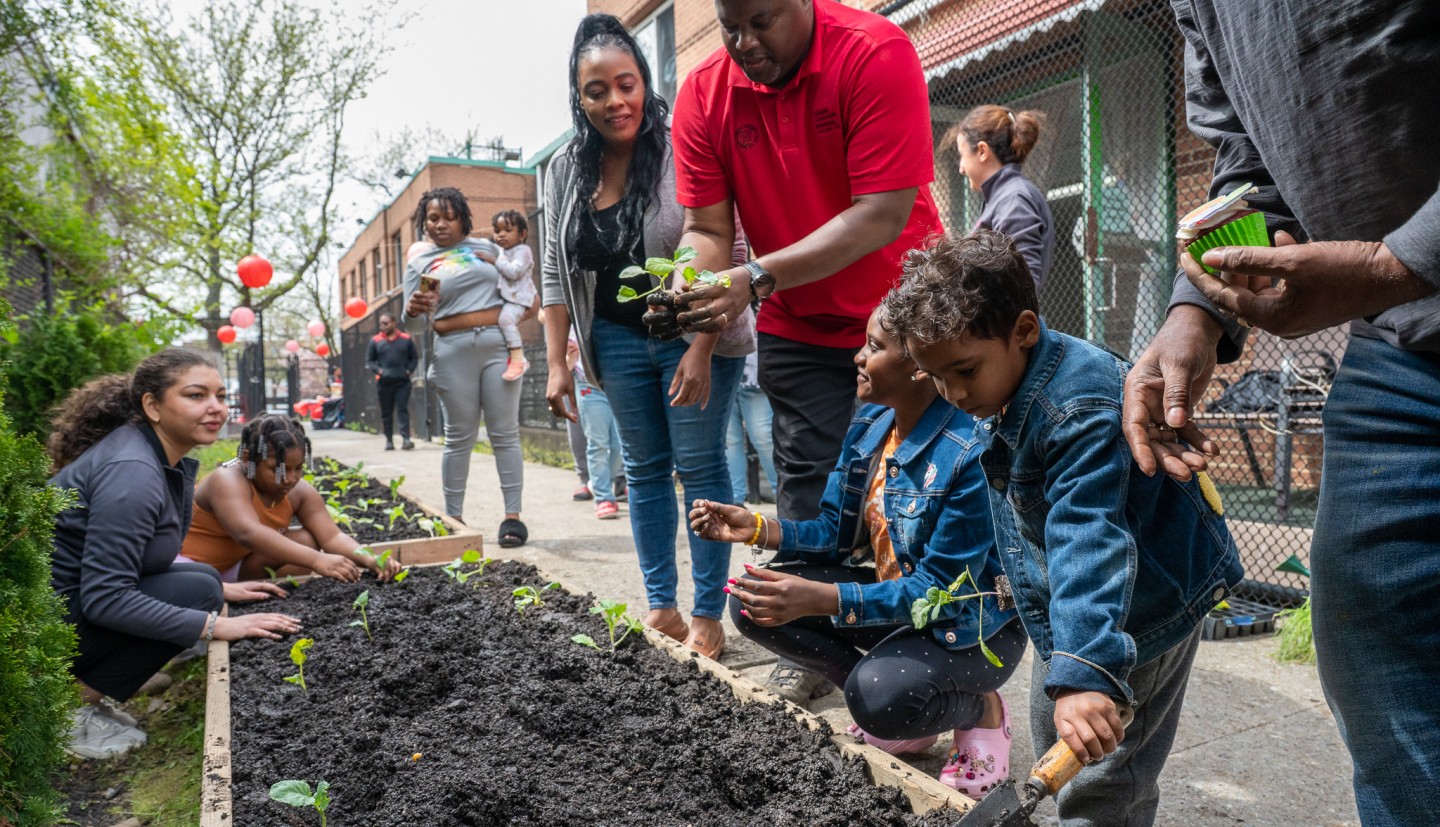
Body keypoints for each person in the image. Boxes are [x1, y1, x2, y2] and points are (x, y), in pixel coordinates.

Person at [1122, 4, 1440, 823]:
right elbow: (1242, 153)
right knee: (1379, 668)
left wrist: (1395, 260)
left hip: (1399, 291)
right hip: (1400, 345)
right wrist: (1196, 309)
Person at [884, 230, 1242, 825]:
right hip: (1079, 608)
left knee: (1106, 778)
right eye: (936, 378)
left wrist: (1086, 674)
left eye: (964, 371)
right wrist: (1069, 676)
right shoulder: (1002, 382)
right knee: (1056, 722)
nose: (953, 394)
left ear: (1023, 330)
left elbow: (1088, 538)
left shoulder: (1077, 410)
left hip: (1144, 607)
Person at [654, 0, 943, 702]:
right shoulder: (703, 91)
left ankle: (929, 659)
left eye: (763, 20)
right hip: (799, 324)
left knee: (919, 490)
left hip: (904, 317)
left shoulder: (874, 51)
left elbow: (883, 211)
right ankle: (823, 653)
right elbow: (706, 226)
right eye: (730, 25)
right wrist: (693, 281)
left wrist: (755, 277)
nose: (744, 42)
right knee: (809, 487)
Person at [690, 307, 1024, 797]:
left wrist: (822, 597)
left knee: (878, 698)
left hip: (971, 627)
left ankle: (980, 710)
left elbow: (938, 590)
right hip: (900, 602)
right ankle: (908, 710)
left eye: (874, 346)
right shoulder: (872, 424)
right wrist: (758, 528)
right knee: (750, 600)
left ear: (920, 365)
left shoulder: (967, 452)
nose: (858, 356)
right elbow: (835, 529)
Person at [541, 14, 753, 660]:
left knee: (702, 466)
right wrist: (556, 364)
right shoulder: (562, 169)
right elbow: (555, 268)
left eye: (625, 83)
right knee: (644, 472)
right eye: (596, 90)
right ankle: (661, 605)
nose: (615, 101)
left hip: (692, 334)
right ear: (579, 99)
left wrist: (701, 346)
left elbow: (726, 241)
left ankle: (708, 610)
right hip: (615, 339)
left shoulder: (682, 141)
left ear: (644, 81)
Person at [47, 350, 301, 759]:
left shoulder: (151, 454)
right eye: (196, 396)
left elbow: (141, 563)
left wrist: (220, 590)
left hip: (65, 612)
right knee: (199, 597)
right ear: (153, 405)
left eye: (220, 395)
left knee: (203, 584)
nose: (215, 407)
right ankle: (66, 713)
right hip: (39, 634)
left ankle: (84, 698)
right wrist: (214, 626)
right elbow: (105, 598)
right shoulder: (132, 472)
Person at [403, 186, 528, 547]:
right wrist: (413, 309)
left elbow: (519, 290)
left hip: (498, 348)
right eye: (433, 218)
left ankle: (513, 519)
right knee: (459, 438)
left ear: (463, 218)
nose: (441, 224)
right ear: (424, 222)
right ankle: (452, 517)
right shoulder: (420, 263)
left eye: (449, 216)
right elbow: (414, 326)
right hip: (452, 353)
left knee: (504, 434)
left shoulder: (488, 249)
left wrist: (502, 315)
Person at [179, 414, 403, 583]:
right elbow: (248, 533)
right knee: (308, 553)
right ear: (247, 459)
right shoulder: (227, 479)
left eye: (298, 468)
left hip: (238, 569)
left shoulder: (299, 492)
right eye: (278, 469)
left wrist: (370, 559)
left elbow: (332, 537)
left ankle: (265, 599)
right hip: (191, 573)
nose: (291, 478)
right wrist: (317, 560)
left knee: (306, 540)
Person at [947, 105, 1055, 295]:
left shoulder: (1014, 199)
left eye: (962, 155)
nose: (961, 168)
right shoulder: (1001, 199)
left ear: (982, 151)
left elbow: (1023, 285)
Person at [571, 330, 624, 521]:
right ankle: (603, 497)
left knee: (620, 445)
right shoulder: (579, 307)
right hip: (588, 383)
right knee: (598, 443)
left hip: (619, 380)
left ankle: (598, 483)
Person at [724, 350, 777, 504]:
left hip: (754, 372)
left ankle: (783, 492)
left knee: (763, 437)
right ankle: (735, 500)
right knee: (729, 442)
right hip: (721, 375)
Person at [491, 209, 539, 381]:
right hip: (509, 297)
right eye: (497, 231)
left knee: (506, 320)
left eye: (507, 230)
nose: (501, 235)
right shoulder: (501, 251)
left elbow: (514, 271)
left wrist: (494, 260)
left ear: (522, 234)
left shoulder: (523, 250)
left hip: (520, 298)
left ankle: (518, 359)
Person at [364, 313, 418, 450]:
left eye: (386, 323)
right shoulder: (375, 341)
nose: (383, 326)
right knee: (386, 412)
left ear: (393, 323)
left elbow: (414, 358)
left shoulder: (406, 339)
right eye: (381, 324)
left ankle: (406, 439)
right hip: (384, 384)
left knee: (402, 409)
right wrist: (380, 371)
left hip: (402, 382)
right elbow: (369, 361)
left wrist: (408, 371)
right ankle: (389, 441)